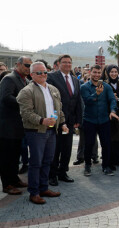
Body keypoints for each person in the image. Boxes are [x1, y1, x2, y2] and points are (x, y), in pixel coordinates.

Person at [16, 62, 68, 204]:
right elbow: (25, 113)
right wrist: (41, 120)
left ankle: (44, 188)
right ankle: (34, 192)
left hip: (52, 131)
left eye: (45, 72)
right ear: (32, 75)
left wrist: (62, 123)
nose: (43, 75)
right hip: (36, 132)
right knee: (36, 163)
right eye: (39, 73)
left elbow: (59, 109)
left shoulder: (52, 89)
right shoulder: (27, 91)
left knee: (48, 161)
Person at [47, 55, 82, 186]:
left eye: (69, 62)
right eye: (64, 62)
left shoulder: (75, 80)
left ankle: (63, 172)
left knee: (67, 148)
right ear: (58, 64)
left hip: (71, 121)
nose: (67, 65)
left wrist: (78, 118)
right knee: (55, 148)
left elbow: (78, 100)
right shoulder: (52, 77)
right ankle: (52, 174)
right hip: (56, 120)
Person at [81, 64, 119, 176]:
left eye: (98, 73)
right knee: (89, 144)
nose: (97, 75)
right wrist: (96, 94)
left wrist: (113, 111)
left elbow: (112, 99)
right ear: (90, 73)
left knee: (106, 144)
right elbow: (87, 101)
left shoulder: (106, 87)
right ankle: (87, 165)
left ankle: (106, 166)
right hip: (89, 120)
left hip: (104, 120)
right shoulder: (84, 87)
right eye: (94, 72)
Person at [0, 56, 31, 195]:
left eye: (30, 65)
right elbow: (6, 98)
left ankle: (14, 179)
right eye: (26, 65)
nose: (28, 68)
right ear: (18, 64)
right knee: (6, 157)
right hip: (7, 126)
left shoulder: (25, 80)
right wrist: (25, 104)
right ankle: (7, 184)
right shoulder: (9, 79)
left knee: (15, 156)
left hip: (18, 126)